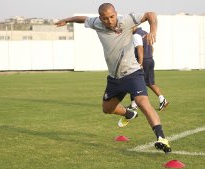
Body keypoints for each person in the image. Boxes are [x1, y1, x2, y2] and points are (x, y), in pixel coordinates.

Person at [55, 3, 171, 153]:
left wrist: (153, 31)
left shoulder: (127, 20)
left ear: (116, 13)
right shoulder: (96, 23)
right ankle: (129, 114)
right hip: (114, 78)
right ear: (100, 18)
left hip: (133, 73)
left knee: (143, 103)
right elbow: (82, 18)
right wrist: (67, 20)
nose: (109, 21)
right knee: (107, 109)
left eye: (112, 16)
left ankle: (161, 138)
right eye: (105, 18)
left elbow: (151, 14)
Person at [128, 27, 169, 111]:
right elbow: (152, 48)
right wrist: (149, 57)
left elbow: (140, 49)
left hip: (142, 61)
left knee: (133, 82)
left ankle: (134, 105)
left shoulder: (136, 35)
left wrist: (140, 63)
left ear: (133, 26)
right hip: (150, 60)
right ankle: (162, 99)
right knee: (150, 83)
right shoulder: (146, 33)